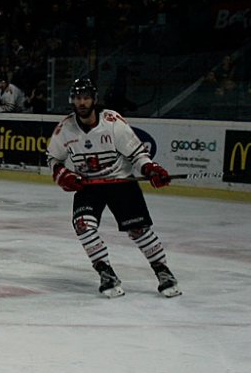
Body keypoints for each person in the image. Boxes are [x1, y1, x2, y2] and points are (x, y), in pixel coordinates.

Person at [45, 77, 179, 298]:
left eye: (86, 97)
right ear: (72, 100)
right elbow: (53, 158)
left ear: (94, 99)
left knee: (138, 230)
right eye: (78, 98)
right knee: (83, 225)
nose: (82, 102)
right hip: (88, 185)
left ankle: (163, 272)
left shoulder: (112, 121)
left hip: (120, 182)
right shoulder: (65, 129)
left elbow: (137, 154)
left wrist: (150, 169)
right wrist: (63, 174)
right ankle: (106, 273)